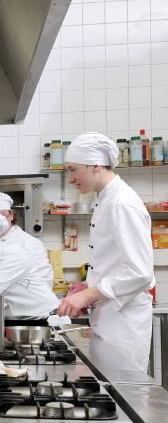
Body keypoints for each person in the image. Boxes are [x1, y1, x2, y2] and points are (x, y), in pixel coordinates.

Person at [56, 132, 154, 372]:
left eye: (73, 169)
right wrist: (87, 289)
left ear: (95, 166)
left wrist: (87, 296)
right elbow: (113, 263)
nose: (70, 179)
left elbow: (140, 272)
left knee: (123, 400)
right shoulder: (106, 199)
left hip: (123, 326)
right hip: (110, 320)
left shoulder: (121, 203)